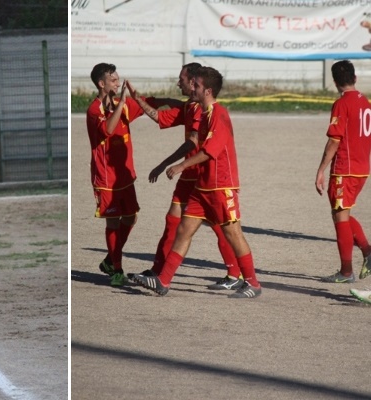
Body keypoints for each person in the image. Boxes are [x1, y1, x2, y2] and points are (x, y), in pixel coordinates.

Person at [130, 66, 262, 299]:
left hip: (221, 186)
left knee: (233, 234)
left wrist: (180, 166)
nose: (192, 87)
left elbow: (209, 151)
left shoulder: (218, 114)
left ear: (207, 90)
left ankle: (252, 283)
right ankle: (163, 281)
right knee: (183, 231)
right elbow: (170, 111)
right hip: (203, 186)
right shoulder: (201, 111)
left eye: (196, 85)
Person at [86, 63, 145, 286]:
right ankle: (117, 271)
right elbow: (108, 129)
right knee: (113, 223)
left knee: (131, 217)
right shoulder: (94, 110)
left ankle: (111, 259)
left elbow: (148, 105)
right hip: (106, 178)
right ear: (102, 84)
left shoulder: (124, 104)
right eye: (113, 81)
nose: (118, 83)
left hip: (124, 176)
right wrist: (120, 103)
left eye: (118, 80)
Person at [315, 60, 371, 284]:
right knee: (342, 214)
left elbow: (334, 141)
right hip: (361, 168)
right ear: (355, 78)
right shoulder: (365, 102)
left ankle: (346, 272)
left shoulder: (341, 104)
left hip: (345, 169)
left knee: (340, 217)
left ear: (335, 82)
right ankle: (367, 252)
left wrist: (321, 170)